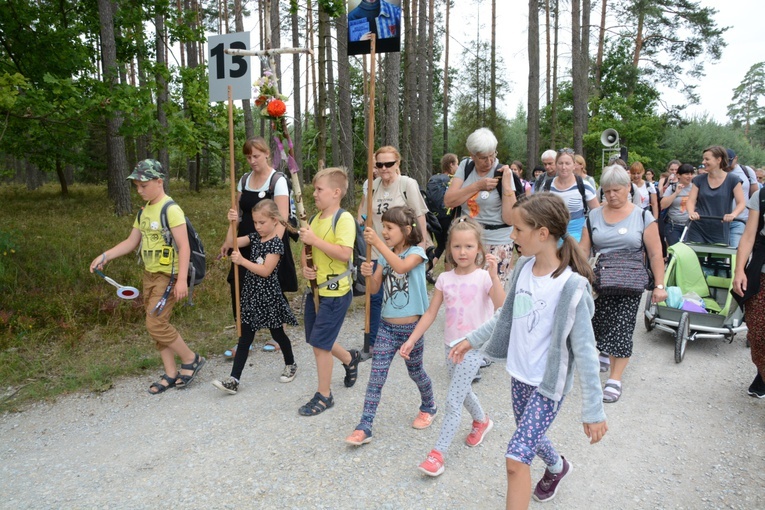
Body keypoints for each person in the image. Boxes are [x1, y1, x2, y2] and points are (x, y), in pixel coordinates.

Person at [450, 193, 608, 507]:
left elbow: (587, 352)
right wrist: (472, 339)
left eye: (519, 230)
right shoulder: (523, 267)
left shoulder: (571, 287)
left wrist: (594, 409)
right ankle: (558, 467)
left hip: (547, 387)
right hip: (519, 376)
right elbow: (505, 316)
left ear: (543, 233)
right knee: (530, 436)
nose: (512, 235)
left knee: (515, 458)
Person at [89, 159, 205, 394]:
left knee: (155, 323)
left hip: (169, 275)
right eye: (136, 186)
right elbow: (132, 242)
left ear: (159, 181)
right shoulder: (144, 212)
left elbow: (184, 247)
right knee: (156, 324)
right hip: (149, 275)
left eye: (143, 185)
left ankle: (191, 359)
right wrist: (105, 255)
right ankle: (171, 372)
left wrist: (182, 279)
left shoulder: (171, 209)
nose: (139, 190)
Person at [400, 217, 505, 476]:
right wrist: (412, 339)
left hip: (475, 347)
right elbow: (430, 314)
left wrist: (494, 275)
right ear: (450, 248)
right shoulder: (445, 279)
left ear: (479, 249)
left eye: (469, 246)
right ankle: (482, 420)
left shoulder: (483, 277)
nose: (462, 252)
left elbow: (502, 306)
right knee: (463, 389)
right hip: (450, 346)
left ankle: (437, 454)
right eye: (457, 246)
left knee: (453, 398)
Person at [345, 206, 436, 445]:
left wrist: (377, 245)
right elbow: (374, 289)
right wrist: (369, 273)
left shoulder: (418, 252)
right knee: (376, 377)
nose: (383, 232)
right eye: (382, 227)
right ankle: (365, 425)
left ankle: (429, 405)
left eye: (389, 228)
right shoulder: (384, 256)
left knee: (416, 372)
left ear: (406, 230)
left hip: (412, 330)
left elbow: (402, 266)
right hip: (386, 328)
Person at [580, 165, 667, 403]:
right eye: (606, 191)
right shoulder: (594, 216)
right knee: (597, 323)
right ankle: (605, 352)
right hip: (600, 282)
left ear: (628, 187)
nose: (611, 195)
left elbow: (656, 254)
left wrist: (660, 285)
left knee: (623, 327)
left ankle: (614, 379)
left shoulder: (642, 216)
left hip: (629, 282)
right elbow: (583, 250)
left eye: (616, 190)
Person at [211, 200, 299, 394]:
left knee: (278, 334)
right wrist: (232, 223)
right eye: (255, 223)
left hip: (269, 297)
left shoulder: (275, 244)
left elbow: (266, 270)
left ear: (274, 221)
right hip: (251, 296)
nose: (258, 227)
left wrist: (242, 261)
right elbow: (232, 243)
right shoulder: (254, 237)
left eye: (262, 223)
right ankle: (234, 379)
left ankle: (291, 363)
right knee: (245, 338)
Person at [219, 137, 295, 356]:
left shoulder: (277, 180)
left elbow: (282, 218)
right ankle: (244, 338)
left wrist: (271, 248)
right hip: (245, 241)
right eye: (248, 156)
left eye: (256, 156)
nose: (252, 160)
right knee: (239, 286)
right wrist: (228, 241)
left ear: (267, 154)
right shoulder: (243, 180)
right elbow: (237, 216)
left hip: (270, 241)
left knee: (271, 287)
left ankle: (278, 335)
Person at [298, 167, 361, 416]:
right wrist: (305, 268)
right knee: (315, 336)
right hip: (315, 290)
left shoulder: (343, 219)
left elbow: (344, 254)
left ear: (336, 193)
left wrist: (315, 241)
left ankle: (324, 395)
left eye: (319, 189)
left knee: (320, 344)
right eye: (314, 189)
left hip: (335, 292)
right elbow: (305, 251)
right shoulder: (313, 219)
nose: (314, 194)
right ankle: (349, 358)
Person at [364, 146, 431, 355]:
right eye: (379, 164)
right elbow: (363, 215)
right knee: (375, 295)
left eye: (389, 164)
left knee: (403, 286)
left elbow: (419, 216)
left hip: (404, 249)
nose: (384, 168)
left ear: (397, 164)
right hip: (378, 248)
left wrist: (421, 245)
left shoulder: (407, 184)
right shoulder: (371, 186)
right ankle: (375, 340)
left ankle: (410, 329)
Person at [443, 128, 517, 286]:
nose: (489, 162)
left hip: (498, 241)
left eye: (493, 155)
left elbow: (510, 219)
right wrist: (477, 186)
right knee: (467, 289)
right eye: (483, 158)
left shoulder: (503, 172)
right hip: (469, 241)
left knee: (492, 292)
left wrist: (507, 187)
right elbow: (449, 201)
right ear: (472, 155)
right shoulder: (466, 166)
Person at [732, 187, 765, 398]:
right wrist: (739, 270)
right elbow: (749, 235)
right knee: (758, 333)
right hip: (761, 272)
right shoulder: (760, 196)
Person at [686, 145, 746, 247]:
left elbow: (741, 203)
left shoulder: (733, 180)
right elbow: (691, 200)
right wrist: (691, 212)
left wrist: (733, 214)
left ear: (718, 160)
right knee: (695, 259)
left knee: (717, 260)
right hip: (698, 227)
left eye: (707, 159)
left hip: (720, 228)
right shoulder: (699, 180)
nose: (703, 162)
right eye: (703, 159)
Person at [543, 148, 599, 242]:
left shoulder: (584, 185)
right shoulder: (548, 186)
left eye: (567, 163)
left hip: (578, 235)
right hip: (554, 235)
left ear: (574, 165)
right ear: (556, 165)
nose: (563, 167)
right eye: (560, 163)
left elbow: (597, 212)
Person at [425, 153, 458, 283]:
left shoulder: (434, 178)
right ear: (451, 164)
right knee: (448, 246)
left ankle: (429, 269)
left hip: (434, 218)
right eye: (456, 163)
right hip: (448, 217)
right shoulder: (452, 180)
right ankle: (449, 277)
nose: (458, 166)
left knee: (441, 245)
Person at [660, 163, 695, 246]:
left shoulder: (695, 187)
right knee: (675, 251)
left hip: (690, 225)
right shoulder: (672, 188)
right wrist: (676, 193)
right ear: (679, 175)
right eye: (686, 174)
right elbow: (663, 205)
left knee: (688, 251)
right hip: (673, 225)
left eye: (691, 174)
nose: (689, 176)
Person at [727, 148, 753, 247]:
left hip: (740, 219)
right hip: (720, 219)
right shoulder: (718, 173)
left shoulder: (746, 171)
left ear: (736, 158)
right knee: (718, 252)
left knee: (736, 250)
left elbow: (754, 193)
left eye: (730, 162)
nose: (727, 166)